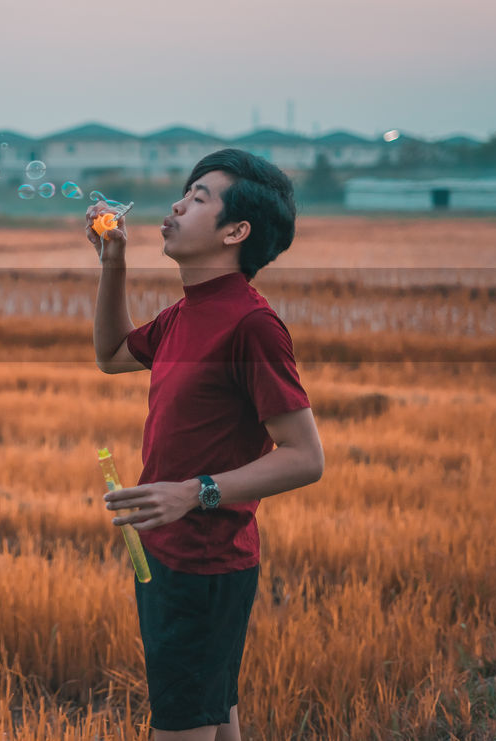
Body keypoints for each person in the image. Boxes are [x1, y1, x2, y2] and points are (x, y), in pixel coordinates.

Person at [85, 148, 325, 741]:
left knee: (187, 725)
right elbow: (112, 356)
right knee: (216, 722)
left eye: (199, 198)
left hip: (204, 564)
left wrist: (193, 494)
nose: (177, 204)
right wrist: (113, 261)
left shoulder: (250, 324)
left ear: (235, 232)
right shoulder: (185, 314)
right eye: (184, 193)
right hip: (172, 555)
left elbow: (304, 456)